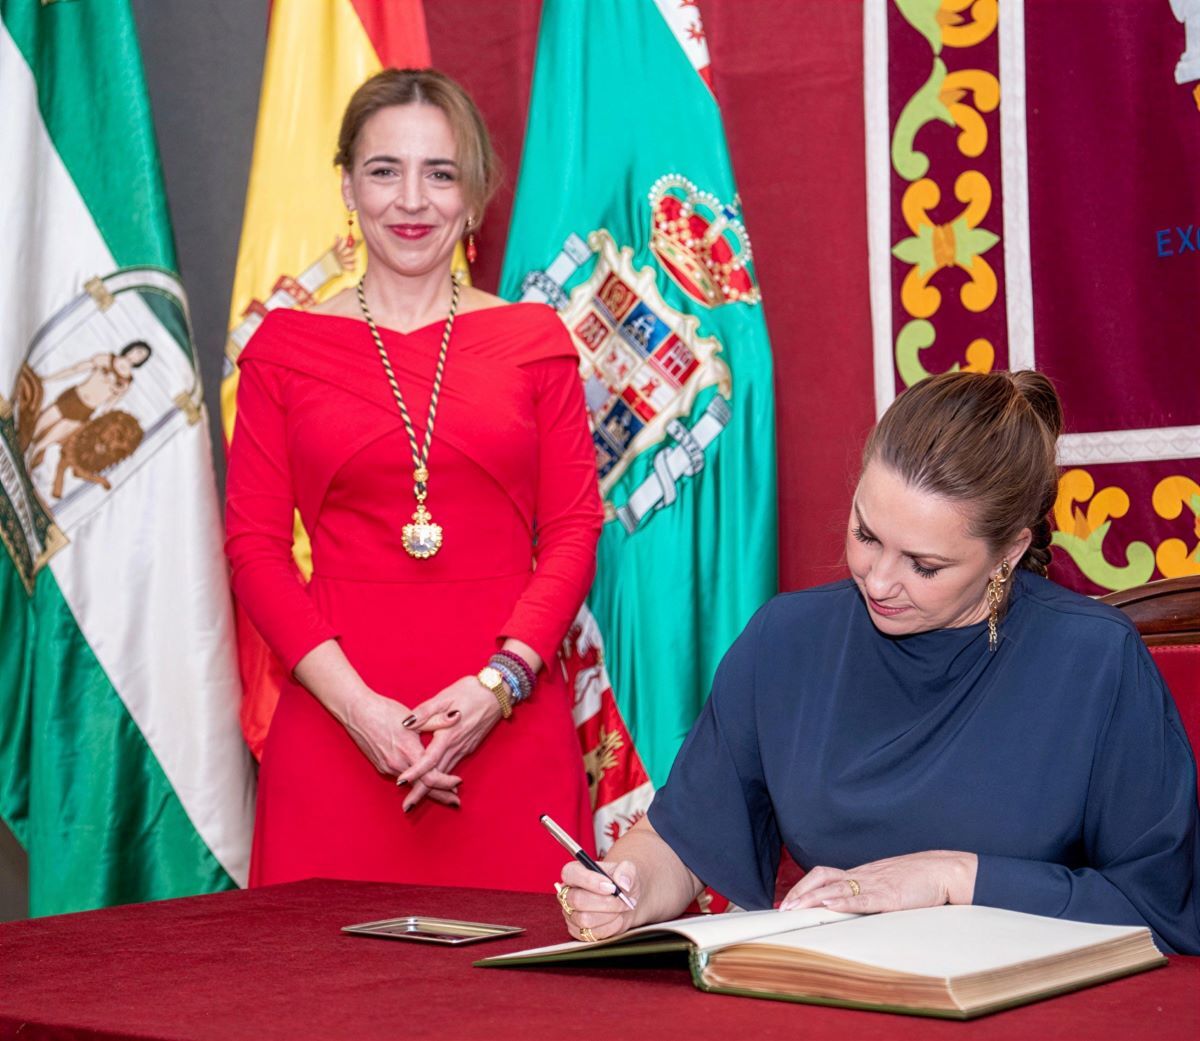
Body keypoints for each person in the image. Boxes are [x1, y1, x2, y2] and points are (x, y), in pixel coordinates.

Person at [555, 370, 1200, 954]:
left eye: (925, 565)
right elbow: (687, 838)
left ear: (1009, 552)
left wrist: (953, 877)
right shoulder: (787, 640)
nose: (878, 580)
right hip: (832, 998)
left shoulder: (1096, 661)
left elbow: (1159, 910)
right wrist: (629, 882)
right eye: (865, 534)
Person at [225, 68, 602, 890]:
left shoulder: (534, 339)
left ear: (474, 196)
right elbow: (253, 549)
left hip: (507, 725)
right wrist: (360, 708)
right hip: (336, 725)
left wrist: (497, 687)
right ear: (348, 187)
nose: (412, 200)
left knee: (523, 1008)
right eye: (384, 169)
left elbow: (574, 528)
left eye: (441, 173)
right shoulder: (284, 348)